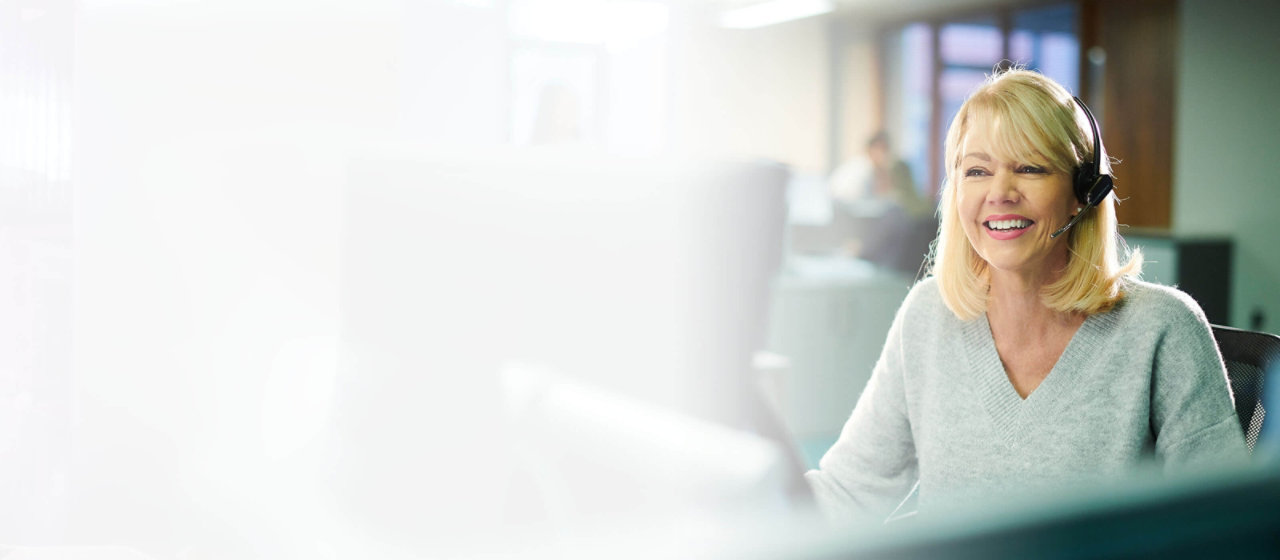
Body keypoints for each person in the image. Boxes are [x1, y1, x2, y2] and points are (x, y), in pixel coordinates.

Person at [804, 68, 1248, 522]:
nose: (999, 193)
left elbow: (1230, 524)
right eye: (977, 170)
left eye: (1030, 168)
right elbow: (848, 491)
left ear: (1083, 192)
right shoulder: (928, 315)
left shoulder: (1161, 328)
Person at [828, 132, 936, 275]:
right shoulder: (931, 207)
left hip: (892, 275)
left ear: (892, 179)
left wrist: (857, 250)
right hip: (918, 274)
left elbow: (870, 251)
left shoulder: (894, 211)